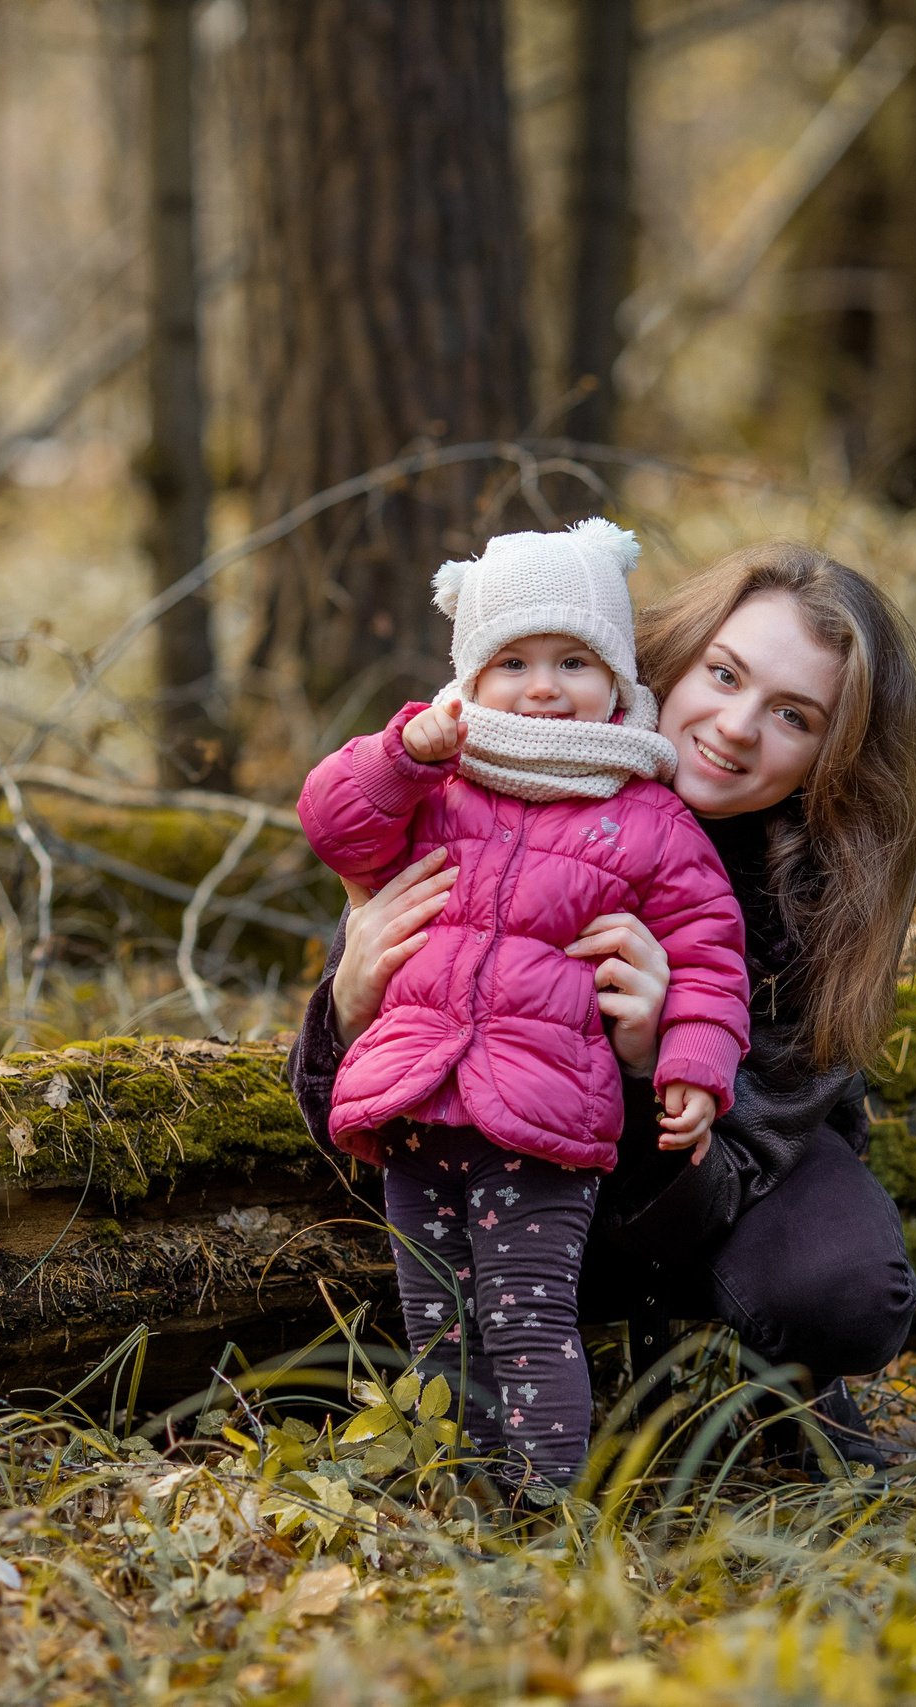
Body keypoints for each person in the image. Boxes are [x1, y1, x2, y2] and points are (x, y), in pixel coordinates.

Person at [290, 541, 916, 1467]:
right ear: (665, 658)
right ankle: (475, 1424)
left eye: (793, 714)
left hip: (707, 1167)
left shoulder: (818, 884)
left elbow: (751, 1141)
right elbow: (394, 1000)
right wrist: (348, 999)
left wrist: (651, 1058)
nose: (737, 726)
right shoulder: (508, 758)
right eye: (724, 674)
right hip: (488, 1131)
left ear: (834, 755)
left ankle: (736, 1376)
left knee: (845, 1288)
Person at [296, 518, 751, 1488]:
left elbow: (709, 951)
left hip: (542, 1121)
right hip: (416, 1101)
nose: (542, 686)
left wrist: (694, 1062)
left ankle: (543, 1503)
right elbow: (334, 825)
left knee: (528, 1317)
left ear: (616, 678)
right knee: (438, 1325)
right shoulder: (437, 783)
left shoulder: (645, 813)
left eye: (572, 661)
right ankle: (455, 1490)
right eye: (513, 662)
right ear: (470, 674)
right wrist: (400, 754)